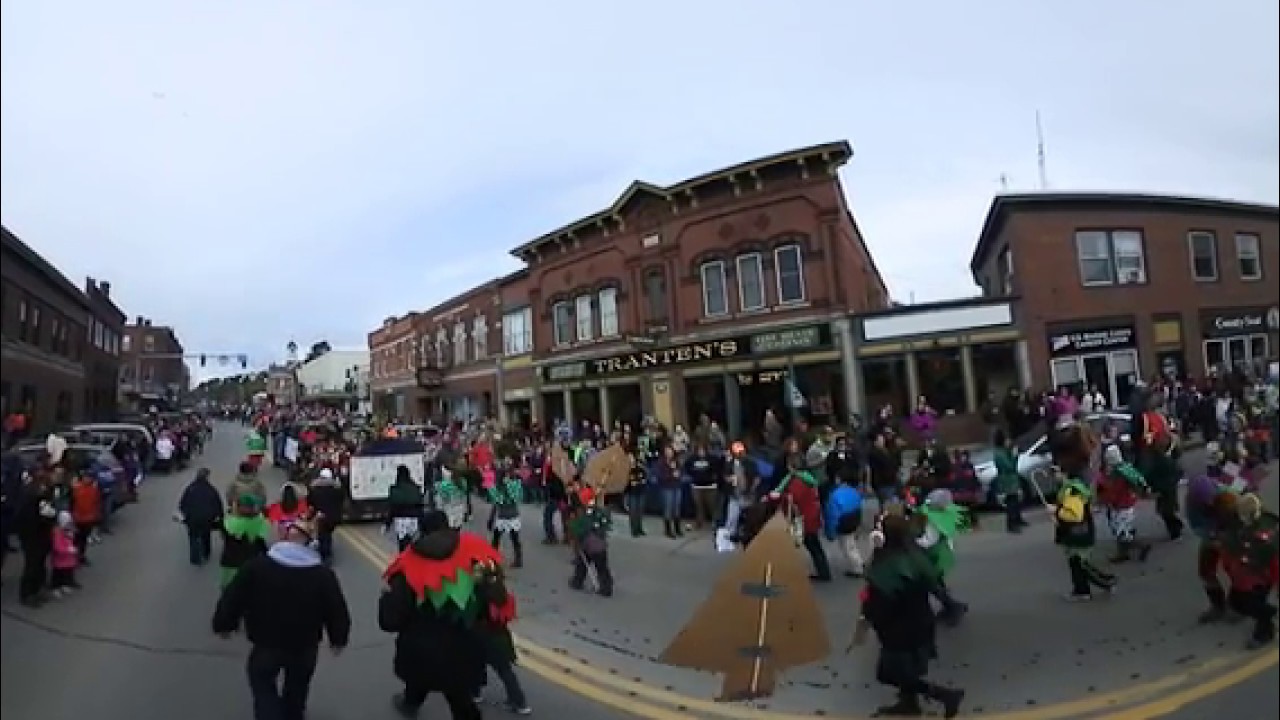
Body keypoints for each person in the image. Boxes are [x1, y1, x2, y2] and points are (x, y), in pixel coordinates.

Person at [213, 518, 351, 720]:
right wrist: (338, 638)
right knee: (298, 687)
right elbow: (336, 608)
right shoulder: (322, 575)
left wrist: (224, 624)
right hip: (304, 645)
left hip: (266, 642)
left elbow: (234, 597)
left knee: (263, 685)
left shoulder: (257, 566)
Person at [379, 510, 503, 719]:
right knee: (458, 693)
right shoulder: (475, 554)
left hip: (420, 643)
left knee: (421, 674)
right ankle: (412, 702)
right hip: (464, 642)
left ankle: (410, 703)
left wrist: (386, 601)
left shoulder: (407, 563)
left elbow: (391, 620)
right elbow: (496, 600)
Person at [851, 513, 965, 718]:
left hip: (897, 627)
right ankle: (909, 703)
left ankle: (944, 695)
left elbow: (876, 599)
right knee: (908, 668)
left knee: (890, 672)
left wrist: (867, 622)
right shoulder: (916, 555)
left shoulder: (886, 565)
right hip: (921, 620)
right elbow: (933, 583)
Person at [219, 495, 272, 589]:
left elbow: (223, 535)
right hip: (251, 561)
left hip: (231, 561)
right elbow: (262, 542)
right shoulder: (260, 521)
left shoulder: (229, 522)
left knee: (230, 587)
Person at [177, 468, 224, 566]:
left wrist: (186, 514)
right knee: (206, 535)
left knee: (193, 536)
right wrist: (220, 517)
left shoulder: (190, 488)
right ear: (207, 477)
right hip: (207, 517)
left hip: (192, 518)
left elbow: (182, 504)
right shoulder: (211, 489)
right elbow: (218, 504)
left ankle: (195, 557)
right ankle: (206, 553)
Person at [823, 472, 865, 577]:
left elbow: (832, 515)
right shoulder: (854, 492)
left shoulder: (835, 495)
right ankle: (859, 562)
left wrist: (830, 532)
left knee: (847, 547)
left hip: (844, 523)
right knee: (851, 544)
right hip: (854, 520)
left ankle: (857, 568)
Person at [306, 468, 344, 563]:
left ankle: (325, 555)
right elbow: (342, 500)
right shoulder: (337, 490)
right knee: (327, 534)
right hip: (334, 518)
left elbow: (310, 502)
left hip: (321, 517)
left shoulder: (315, 489)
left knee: (323, 534)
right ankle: (325, 552)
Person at [386, 465, 425, 552]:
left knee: (402, 544)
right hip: (414, 520)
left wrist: (387, 523)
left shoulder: (395, 489)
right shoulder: (415, 488)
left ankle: (404, 557)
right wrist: (422, 522)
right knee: (412, 543)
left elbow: (392, 508)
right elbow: (420, 506)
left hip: (400, 520)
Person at [48, 511, 81, 597]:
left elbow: (74, 538)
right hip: (60, 559)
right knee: (58, 574)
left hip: (68, 558)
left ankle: (64, 585)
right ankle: (55, 587)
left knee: (66, 572)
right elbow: (57, 546)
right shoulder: (57, 532)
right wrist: (68, 550)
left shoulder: (69, 530)